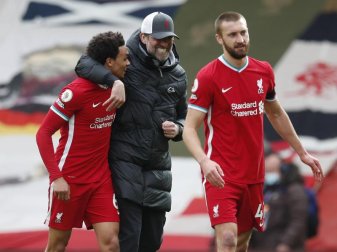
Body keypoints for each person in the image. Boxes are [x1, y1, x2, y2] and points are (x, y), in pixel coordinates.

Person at [182, 11, 323, 252]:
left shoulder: (263, 71)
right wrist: (205, 162)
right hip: (221, 174)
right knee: (226, 239)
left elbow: (276, 113)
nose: (240, 39)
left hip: (254, 175)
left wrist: (302, 153)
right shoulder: (208, 76)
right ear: (219, 38)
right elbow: (188, 128)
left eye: (243, 32)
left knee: (241, 243)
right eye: (232, 34)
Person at [74, 11, 187, 252]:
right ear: (144, 37)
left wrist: (178, 128)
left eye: (169, 38)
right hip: (124, 159)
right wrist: (115, 81)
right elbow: (83, 64)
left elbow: (184, 115)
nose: (165, 43)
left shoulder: (178, 75)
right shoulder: (125, 57)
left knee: (152, 242)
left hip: (158, 166)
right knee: (130, 237)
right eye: (159, 38)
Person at [36, 31, 130, 252]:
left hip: (100, 180)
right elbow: (43, 133)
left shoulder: (117, 88)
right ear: (109, 62)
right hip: (69, 181)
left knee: (112, 243)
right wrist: (56, 177)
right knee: (57, 245)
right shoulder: (76, 92)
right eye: (124, 59)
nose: (129, 63)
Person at [250, 153, 309, 252]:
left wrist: (286, 243)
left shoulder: (294, 190)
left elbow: (298, 220)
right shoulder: (264, 190)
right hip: (262, 245)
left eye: (272, 171)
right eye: (266, 171)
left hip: (285, 246)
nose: (268, 175)